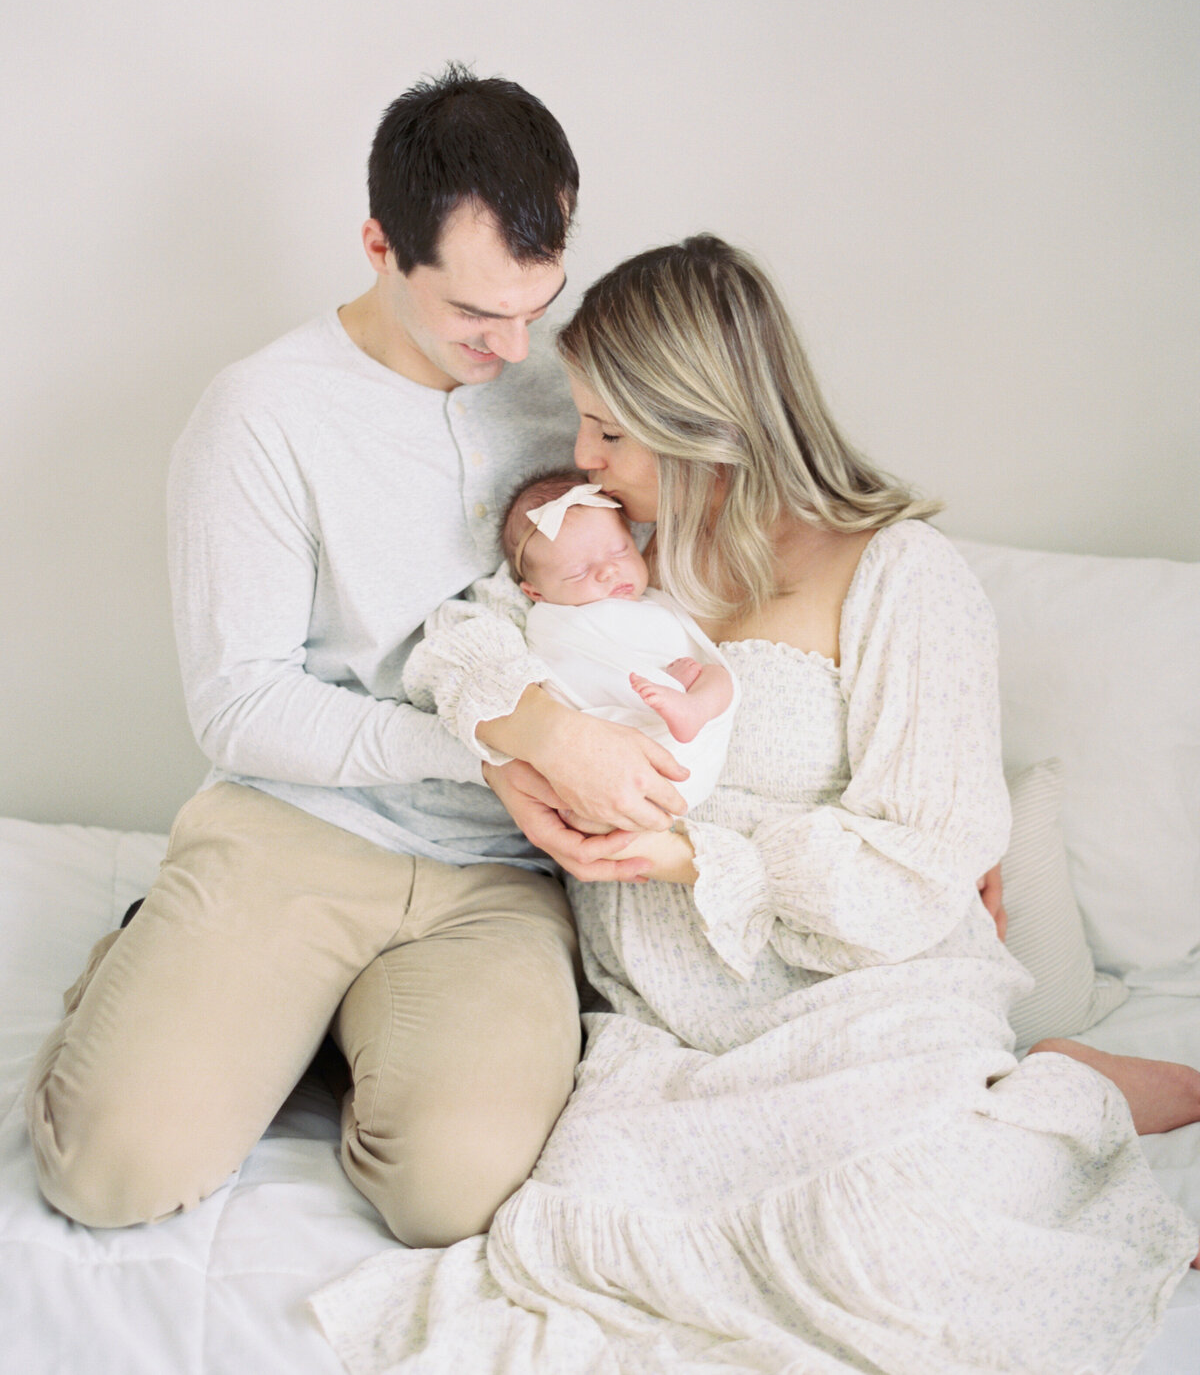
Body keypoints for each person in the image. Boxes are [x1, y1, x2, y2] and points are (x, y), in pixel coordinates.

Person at [317, 235, 1200, 1374]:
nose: (582, 454)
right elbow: (463, 641)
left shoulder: (899, 576)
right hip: (667, 1015)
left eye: (611, 430)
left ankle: (1061, 1090)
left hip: (859, 990)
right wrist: (546, 729)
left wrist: (699, 855)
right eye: (586, 423)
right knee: (593, 1237)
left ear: (707, 421)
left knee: (882, 1240)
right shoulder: (622, 558)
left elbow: (928, 859)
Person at [24, 66, 692, 1250]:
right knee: (104, 1170)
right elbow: (238, 708)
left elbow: (688, 587)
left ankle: (329, 1022)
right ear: (382, 245)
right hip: (304, 825)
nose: (514, 344)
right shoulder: (263, 416)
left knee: (449, 1195)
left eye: (536, 304)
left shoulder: (565, 401)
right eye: (476, 316)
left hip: (496, 874)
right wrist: (496, 740)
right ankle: (191, 962)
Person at [502, 469, 737, 812]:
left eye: (620, 550)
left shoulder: (656, 602)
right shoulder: (550, 622)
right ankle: (676, 694)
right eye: (578, 572)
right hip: (609, 752)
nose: (609, 571)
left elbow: (688, 650)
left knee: (720, 676)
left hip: (686, 747)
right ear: (535, 592)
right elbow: (563, 679)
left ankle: (692, 706)